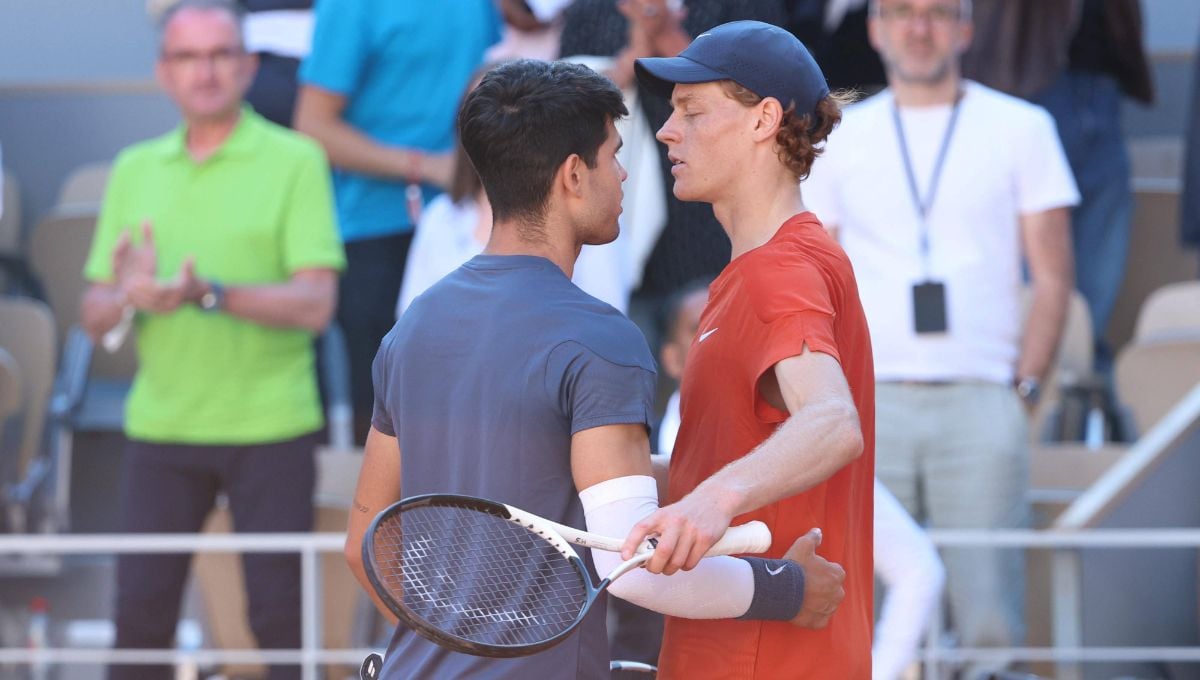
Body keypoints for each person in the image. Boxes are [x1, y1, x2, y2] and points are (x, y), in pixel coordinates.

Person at [343, 59, 847, 679]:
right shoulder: (599, 338)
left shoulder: (411, 328)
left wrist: (459, 643)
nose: (626, 172)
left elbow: (363, 544)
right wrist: (789, 589)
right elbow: (629, 568)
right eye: (613, 154)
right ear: (574, 176)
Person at [801, 0, 1078, 675]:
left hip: (981, 395)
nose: (917, 29)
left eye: (935, 13)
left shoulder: (1023, 127)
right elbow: (817, 281)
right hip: (870, 402)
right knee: (861, 603)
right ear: (874, 29)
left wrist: (1025, 390)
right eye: (900, 13)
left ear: (965, 28)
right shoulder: (840, 136)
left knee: (987, 618)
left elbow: (1053, 274)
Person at [78, 2, 345, 678]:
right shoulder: (134, 168)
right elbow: (93, 314)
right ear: (163, 73)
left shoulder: (295, 160)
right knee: (139, 621)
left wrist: (210, 294)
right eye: (189, 57)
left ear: (249, 66)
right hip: (163, 425)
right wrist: (125, 294)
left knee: (280, 621)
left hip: (272, 424)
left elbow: (317, 304)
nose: (207, 71)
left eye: (221, 53)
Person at [627, 20, 876, 678]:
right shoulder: (772, 266)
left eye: (692, 111)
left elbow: (832, 421)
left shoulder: (778, 272)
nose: (665, 131)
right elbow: (731, 455)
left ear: (764, 119)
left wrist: (712, 501)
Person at [652, 284, 944, 680]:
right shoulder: (639, 457)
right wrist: (787, 589)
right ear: (671, 357)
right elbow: (633, 579)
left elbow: (918, 567)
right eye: (700, 329)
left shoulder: (805, 446)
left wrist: (881, 674)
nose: (715, 339)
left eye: (728, 327)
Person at [295, 1, 500, 442]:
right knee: (384, 408)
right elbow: (312, 125)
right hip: (374, 226)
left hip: (472, 217)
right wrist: (425, 166)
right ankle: (380, 512)